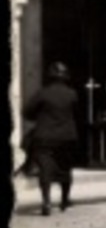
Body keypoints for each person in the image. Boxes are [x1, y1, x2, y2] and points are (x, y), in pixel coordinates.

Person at [23, 61, 80, 216]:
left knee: (45, 170)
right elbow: (76, 113)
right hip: (67, 137)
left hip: (45, 137)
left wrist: (41, 116)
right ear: (65, 77)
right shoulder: (72, 94)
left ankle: (46, 201)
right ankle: (64, 200)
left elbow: (27, 112)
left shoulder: (42, 93)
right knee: (65, 169)